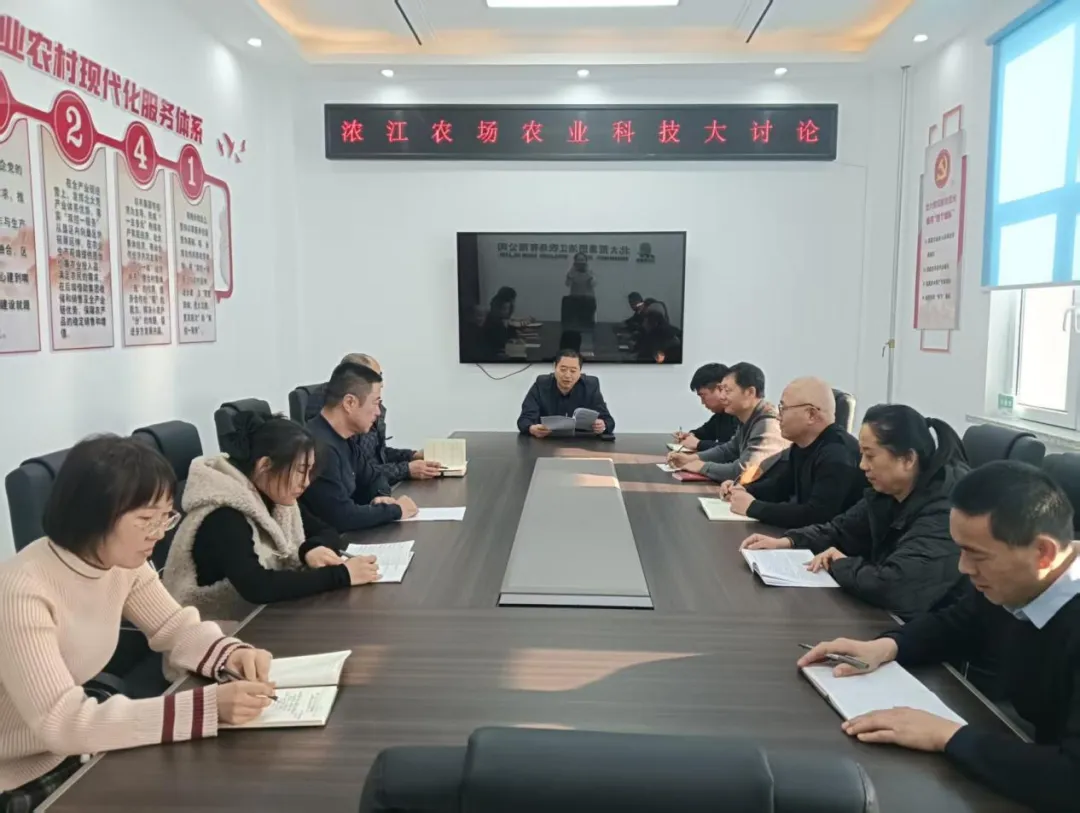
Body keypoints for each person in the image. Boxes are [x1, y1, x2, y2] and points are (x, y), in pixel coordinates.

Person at [0, 436, 275, 809]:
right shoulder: (21, 591)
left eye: (165, 516)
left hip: (76, 749)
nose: (159, 533)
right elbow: (61, 722)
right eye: (146, 519)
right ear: (93, 515)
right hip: (18, 775)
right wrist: (208, 708)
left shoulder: (120, 563)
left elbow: (174, 627)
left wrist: (231, 654)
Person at [798, 462, 1079, 813]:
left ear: (1043, 554)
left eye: (977, 555)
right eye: (961, 549)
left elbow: (1072, 780)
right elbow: (959, 624)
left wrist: (947, 736)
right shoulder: (1020, 579)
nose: (963, 567)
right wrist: (886, 646)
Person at [742, 404, 970, 619]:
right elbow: (840, 530)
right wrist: (788, 541)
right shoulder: (887, 492)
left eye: (870, 455)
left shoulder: (946, 509)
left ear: (908, 459)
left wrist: (840, 564)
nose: (862, 465)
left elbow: (895, 586)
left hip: (937, 632)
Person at [162, 414, 381, 620]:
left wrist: (310, 549)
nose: (306, 482)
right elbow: (258, 586)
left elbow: (326, 530)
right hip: (213, 626)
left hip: (259, 617)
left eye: (309, 471)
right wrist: (342, 575)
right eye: (300, 471)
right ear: (264, 465)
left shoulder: (274, 493)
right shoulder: (224, 513)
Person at [723, 377, 865, 528]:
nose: (778, 416)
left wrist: (753, 508)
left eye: (783, 408)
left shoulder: (838, 454)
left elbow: (817, 516)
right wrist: (743, 490)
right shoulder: (801, 445)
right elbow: (780, 487)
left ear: (811, 414)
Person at [302, 361, 418, 531]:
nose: (378, 412)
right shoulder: (318, 447)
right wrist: (395, 510)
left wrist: (380, 497)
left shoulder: (345, 438)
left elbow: (374, 478)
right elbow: (341, 517)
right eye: (375, 403)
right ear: (349, 402)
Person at [669, 362, 787, 483]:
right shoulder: (748, 417)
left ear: (750, 392)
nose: (721, 396)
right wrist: (691, 458)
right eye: (721, 390)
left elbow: (743, 472)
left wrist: (701, 466)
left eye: (727, 390)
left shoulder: (768, 424)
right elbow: (728, 450)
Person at [342, 353, 442, 485]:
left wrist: (412, 456)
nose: (382, 384)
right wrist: (406, 470)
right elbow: (356, 473)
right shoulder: (343, 420)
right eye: (377, 377)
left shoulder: (374, 409)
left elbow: (379, 454)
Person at [517, 349, 615, 438]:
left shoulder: (590, 386)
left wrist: (602, 426)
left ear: (580, 372)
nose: (567, 375)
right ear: (555, 367)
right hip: (547, 441)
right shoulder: (541, 384)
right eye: (563, 370)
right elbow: (524, 420)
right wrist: (532, 428)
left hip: (582, 443)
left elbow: (609, 421)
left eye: (573, 371)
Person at [672, 363, 740, 452]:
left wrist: (699, 444)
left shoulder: (740, 414)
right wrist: (690, 435)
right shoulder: (721, 414)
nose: (702, 402)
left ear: (720, 388)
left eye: (703, 396)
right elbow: (705, 432)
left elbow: (736, 449)